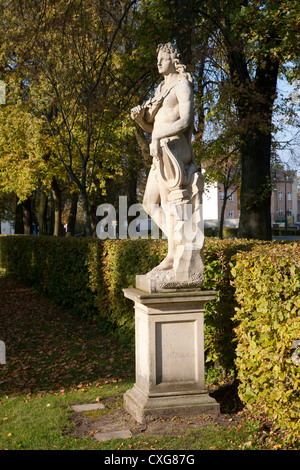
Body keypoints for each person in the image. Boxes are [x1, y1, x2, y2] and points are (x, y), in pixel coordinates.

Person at [131, 43, 204, 278]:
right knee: (149, 204)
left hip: (173, 148)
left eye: (163, 58)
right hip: (160, 149)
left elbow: (185, 121)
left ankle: (175, 255)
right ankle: (175, 247)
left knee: (171, 206)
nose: (158, 63)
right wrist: (141, 120)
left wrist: (159, 136)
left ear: (174, 60)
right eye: (158, 59)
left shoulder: (182, 85)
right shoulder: (161, 88)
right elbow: (152, 127)